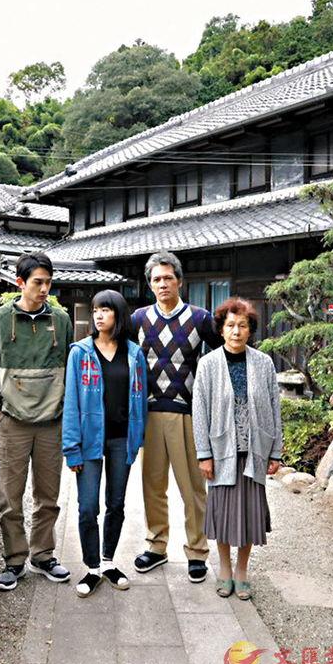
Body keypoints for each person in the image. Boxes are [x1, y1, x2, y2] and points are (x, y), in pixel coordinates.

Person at [0, 252, 73, 591]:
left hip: (51, 422)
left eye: (48, 282)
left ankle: (43, 555)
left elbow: (70, 368)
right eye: (38, 282)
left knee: (48, 495)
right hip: (12, 422)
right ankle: (14, 559)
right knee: (10, 497)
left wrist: (65, 410)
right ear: (20, 282)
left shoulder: (61, 320)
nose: (44, 289)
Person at [132, 250, 222, 583]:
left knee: (192, 487)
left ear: (180, 281)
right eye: (156, 279)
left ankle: (197, 551)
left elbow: (222, 356)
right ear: (150, 284)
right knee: (152, 485)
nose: (162, 284)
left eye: (168, 277)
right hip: (150, 412)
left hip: (187, 413)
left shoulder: (200, 318)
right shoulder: (138, 319)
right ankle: (156, 546)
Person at [192, 297, 283, 600]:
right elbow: (199, 412)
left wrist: (275, 451)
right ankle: (224, 569)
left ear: (250, 330)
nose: (236, 331)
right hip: (221, 452)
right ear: (221, 329)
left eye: (242, 325)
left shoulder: (264, 363)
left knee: (249, 515)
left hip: (254, 451)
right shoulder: (208, 364)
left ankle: (242, 571)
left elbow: (274, 407)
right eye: (230, 325)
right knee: (222, 514)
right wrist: (204, 454)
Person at [62, 290, 148, 597]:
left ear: (118, 315)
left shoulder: (134, 354)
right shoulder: (80, 353)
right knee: (87, 507)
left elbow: (141, 401)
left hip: (121, 439)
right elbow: (71, 402)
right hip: (89, 441)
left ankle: (108, 561)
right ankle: (92, 567)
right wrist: (71, 448)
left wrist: (137, 438)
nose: (99, 315)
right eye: (96, 310)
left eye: (106, 310)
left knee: (116, 504)